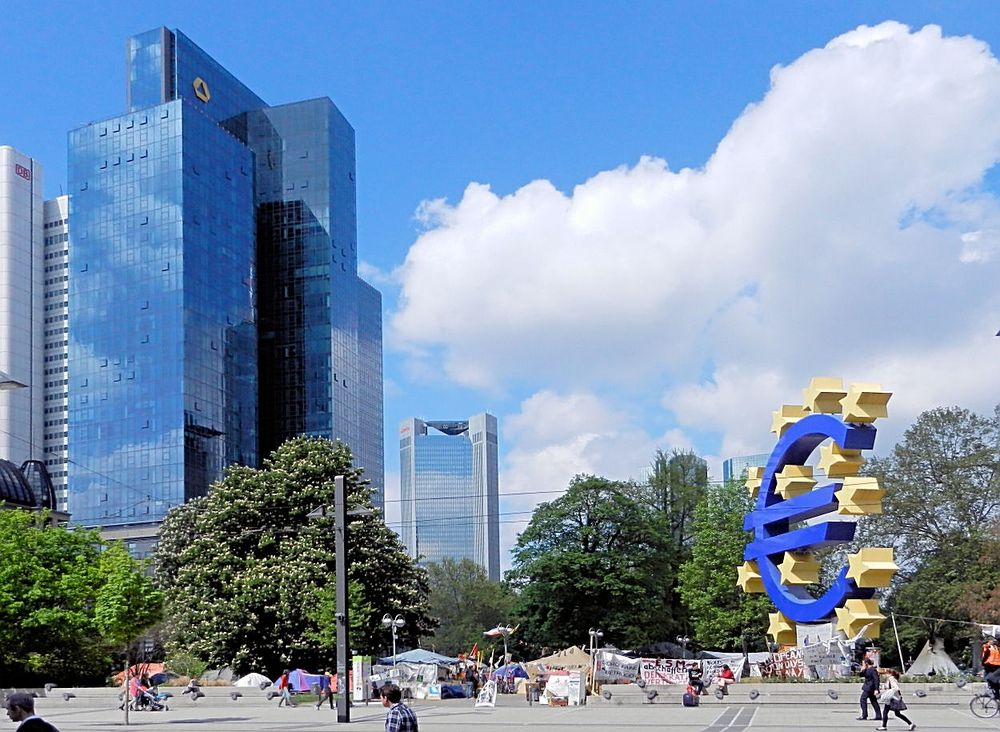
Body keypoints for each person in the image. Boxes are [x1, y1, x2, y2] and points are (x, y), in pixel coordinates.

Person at [857, 657, 882, 722]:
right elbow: (861, 675)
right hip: (868, 687)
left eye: (863, 664)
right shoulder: (867, 669)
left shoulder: (872, 670)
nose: (862, 665)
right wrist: (862, 670)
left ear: (866, 663)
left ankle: (864, 715)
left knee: (862, 699)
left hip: (870, 687)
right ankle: (878, 715)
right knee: (873, 701)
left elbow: (876, 679)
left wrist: (876, 689)